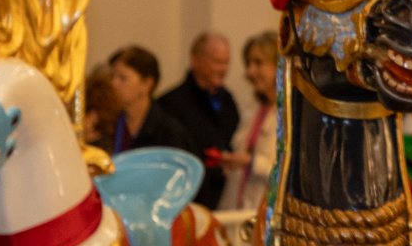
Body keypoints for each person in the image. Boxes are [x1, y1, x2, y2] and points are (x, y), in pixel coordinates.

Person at [156, 31, 241, 208]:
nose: (223, 69)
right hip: (188, 201)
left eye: (226, 62)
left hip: (225, 199)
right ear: (196, 60)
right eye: (217, 62)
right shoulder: (170, 104)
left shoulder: (228, 101)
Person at [105, 46, 196, 158]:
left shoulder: (169, 133)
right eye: (112, 77)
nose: (114, 84)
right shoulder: (107, 123)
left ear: (147, 84)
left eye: (123, 78)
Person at [231, 31, 280, 210]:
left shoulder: (291, 114)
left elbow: (288, 173)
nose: (250, 71)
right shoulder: (254, 109)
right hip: (243, 207)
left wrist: (252, 163)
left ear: (278, 65)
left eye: (258, 63)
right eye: (249, 63)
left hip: (269, 211)